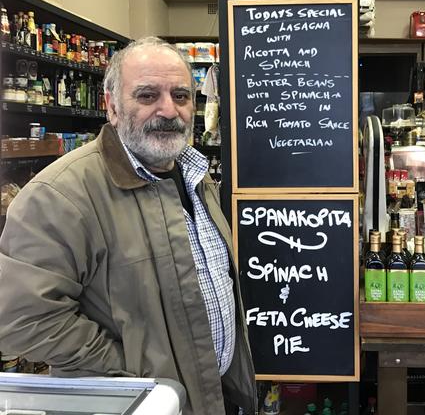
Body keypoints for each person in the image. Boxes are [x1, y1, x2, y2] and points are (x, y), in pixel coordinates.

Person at [0, 37, 256, 415]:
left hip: (211, 398)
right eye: (148, 95)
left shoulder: (197, 178)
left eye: (181, 95)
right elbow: (23, 317)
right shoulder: (60, 195)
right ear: (112, 106)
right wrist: (133, 372)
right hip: (140, 404)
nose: (168, 110)